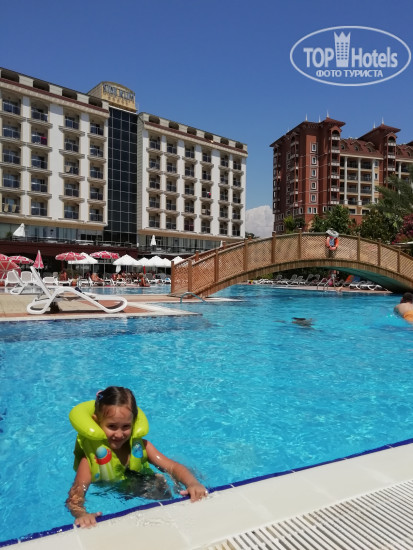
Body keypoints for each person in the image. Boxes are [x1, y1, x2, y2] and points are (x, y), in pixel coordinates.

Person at [66, 386, 208, 528]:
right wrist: (81, 514)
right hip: (114, 494)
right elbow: (76, 495)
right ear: (97, 422)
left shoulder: (143, 446)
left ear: (134, 422)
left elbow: (173, 467)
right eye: (112, 426)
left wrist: (192, 483)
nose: (119, 434)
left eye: (126, 426)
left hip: (146, 486)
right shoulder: (89, 461)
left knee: (167, 489)